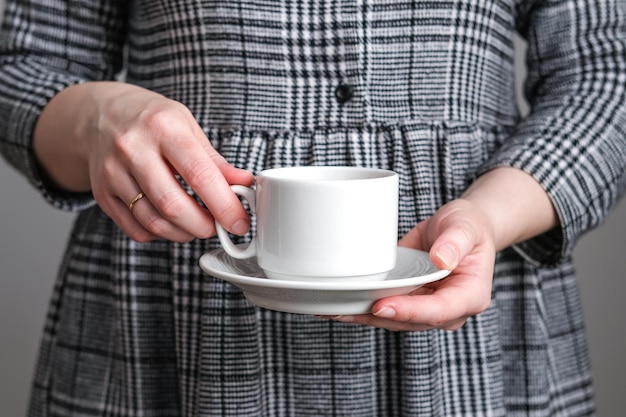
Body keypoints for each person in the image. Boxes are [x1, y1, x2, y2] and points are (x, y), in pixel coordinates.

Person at [1, 0, 624, 415]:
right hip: (167, 307)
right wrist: (97, 122)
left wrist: (488, 216)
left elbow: (606, 74)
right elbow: (24, 66)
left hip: (474, 303)